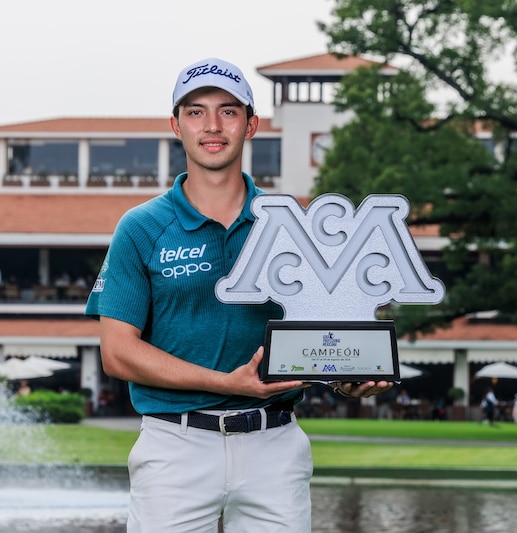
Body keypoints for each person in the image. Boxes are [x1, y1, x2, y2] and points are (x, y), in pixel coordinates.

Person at [85, 57, 392, 533]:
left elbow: (317, 335)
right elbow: (118, 354)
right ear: (176, 125)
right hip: (176, 448)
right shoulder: (141, 227)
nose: (212, 125)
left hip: (274, 445)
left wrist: (344, 378)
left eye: (228, 111)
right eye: (196, 111)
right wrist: (227, 383)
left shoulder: (293, 225)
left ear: (250, 125)